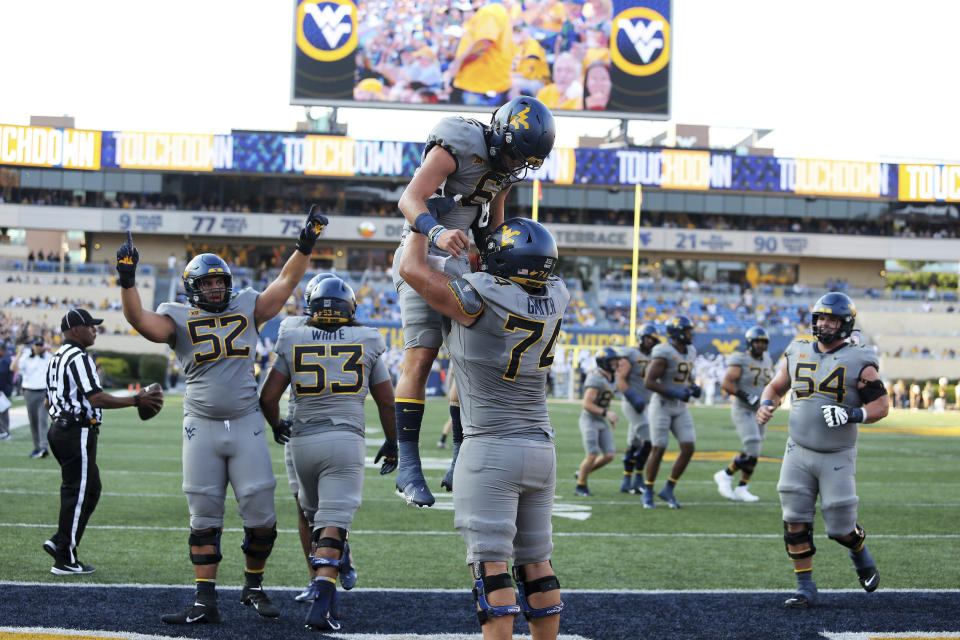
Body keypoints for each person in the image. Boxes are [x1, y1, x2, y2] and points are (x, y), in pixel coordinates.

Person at [115, 207, 327, 624]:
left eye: (219, 282)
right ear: (192, 287)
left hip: (246, 422)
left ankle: (253, 586)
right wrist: (127, 279)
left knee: (262, 515)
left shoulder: (247, 305)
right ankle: (204, 600)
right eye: (207, 283)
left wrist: (305, 244)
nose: (214, 289)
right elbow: (137, 318)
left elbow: (285, 282)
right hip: (201, 426)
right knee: (204, 514)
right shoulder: (176, 315)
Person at [398, 217, 568, 640]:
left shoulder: (477, 298)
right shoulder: (558, 294)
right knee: (537, 564)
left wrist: (421, 225)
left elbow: (411, 268)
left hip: (491, 448)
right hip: (541, 447)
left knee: (491, 571)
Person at [391, 96, 555, 507]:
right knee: (421, 356)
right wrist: (434, 232)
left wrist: (499, 261)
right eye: (516, 152)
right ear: (500, 135)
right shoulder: (458, 142)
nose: (518, 163)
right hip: (423, 254)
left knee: (468, 359)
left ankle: (460, 452)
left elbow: (494, 219)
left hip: (464, 262)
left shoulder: (505, 168)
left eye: (526, 159)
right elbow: (409, 200)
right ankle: (408, 464)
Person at [259, 276, 398, 632]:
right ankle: (322, 607)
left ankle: (330, 575)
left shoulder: (292, 334)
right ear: (350, 308)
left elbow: (268, 398)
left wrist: (277, 427)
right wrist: (393, 441)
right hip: (343, 439)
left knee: (313, 516)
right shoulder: (367, 339)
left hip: (302, 441)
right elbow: (386, 401)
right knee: (333, 524)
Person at [757, 292, 888, 609]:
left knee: (841, 528)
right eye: (821, 318)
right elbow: (776, 387)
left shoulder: (859, 360)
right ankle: (805, 587)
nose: (825, 324)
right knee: (794, 519)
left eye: (832, 319)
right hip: (797, 451)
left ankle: (861, 554)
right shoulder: (798, 350)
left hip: (836, 454)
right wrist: (766, 404)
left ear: (845, 324)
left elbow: (881, 406)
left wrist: (853, 414)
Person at [43, 308, 163, 575]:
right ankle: (65, 558)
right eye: (91, 326)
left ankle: (60, 540)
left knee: (91, 488)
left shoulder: (56, 357)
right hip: (77, 431)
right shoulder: (78, 357)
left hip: (60, 429)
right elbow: (95, 398)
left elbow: (48, 400)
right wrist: (135, 400)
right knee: (76, 491)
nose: (95, 330)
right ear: (76, 330)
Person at [642, 315, 701, 509]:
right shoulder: (664, 351)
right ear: (676, 333)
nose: (690, 334)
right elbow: (649, 381)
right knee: (659, 448)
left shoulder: (690, 350)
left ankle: (669, 487)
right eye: (686, 330)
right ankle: (648, 489)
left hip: (680, 407)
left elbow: (686, 374)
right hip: (662, 405)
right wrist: (674, 392)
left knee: (689, 447)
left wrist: (693, 387)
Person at [714, 326, 774, 502]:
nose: (761, 345)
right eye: (757, 342)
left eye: (763, 342)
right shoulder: (740, 359)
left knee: (756, 449)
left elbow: (768, 382)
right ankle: (725, 474)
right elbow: (727, 383)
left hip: (759, 409)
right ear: (750, 343)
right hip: (743, 408)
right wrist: (746, 396)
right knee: (753, 446)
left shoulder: (767, 360)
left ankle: (742, 487)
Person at [615, 323, 658, 494]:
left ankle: (627, 481)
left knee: (634, 443)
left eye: (653, 339)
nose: (651, 342)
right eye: (648, 338)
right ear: (641, 337)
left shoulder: (655, 355)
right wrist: (633, 397)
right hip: (633, 403)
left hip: (647, 403)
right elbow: (621, 379)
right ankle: (639, 478)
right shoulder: (630, 354)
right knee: (649, 440)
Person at [445, 1, 513, 106]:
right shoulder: (489, 11)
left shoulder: (489, 12)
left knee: (473, 121)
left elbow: (483, 44)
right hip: (480, 84)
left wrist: (458, 63)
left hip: (480, 85)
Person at [574, 347, 619, 497]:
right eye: (612, 362)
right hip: (590, 419)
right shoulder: (596, 378)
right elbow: (586, 404)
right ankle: (581, 486)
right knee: (592, 454)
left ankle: (582, 473)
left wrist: (608, 416)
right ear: (603, 363)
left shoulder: (614, 377)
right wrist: (607, 413)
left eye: (615, 361)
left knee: (609, 455)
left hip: (601, 419)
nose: (615, 364)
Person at [11, 337, 53, 457]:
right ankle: (37, 447)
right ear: (33, 346)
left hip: (44, 392)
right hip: (29, 392)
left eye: (41, 345)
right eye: (37, 345)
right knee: (33, 421)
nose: (39, 347)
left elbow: (60, 365)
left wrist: (52, 352)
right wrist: (19, 354)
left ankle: (44, 447)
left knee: (42, 420)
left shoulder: (49, 357)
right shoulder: (26, 357)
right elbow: (13, 368)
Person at [0, 343, 11, 441]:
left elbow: (2, 376)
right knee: (4, 412)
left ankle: (4, 431)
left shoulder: (4, 361)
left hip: (3, 390)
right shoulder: (6, 359)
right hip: (6, 389)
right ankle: (5, 431)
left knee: (3, 412)